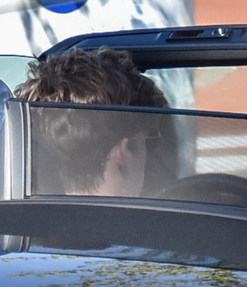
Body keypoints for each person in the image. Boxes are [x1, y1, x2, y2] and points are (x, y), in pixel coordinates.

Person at [17, 48, 171, 197]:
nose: (150, 160)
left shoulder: (10, 215)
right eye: (151, 143)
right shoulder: (152, 223)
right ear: (126, 151)